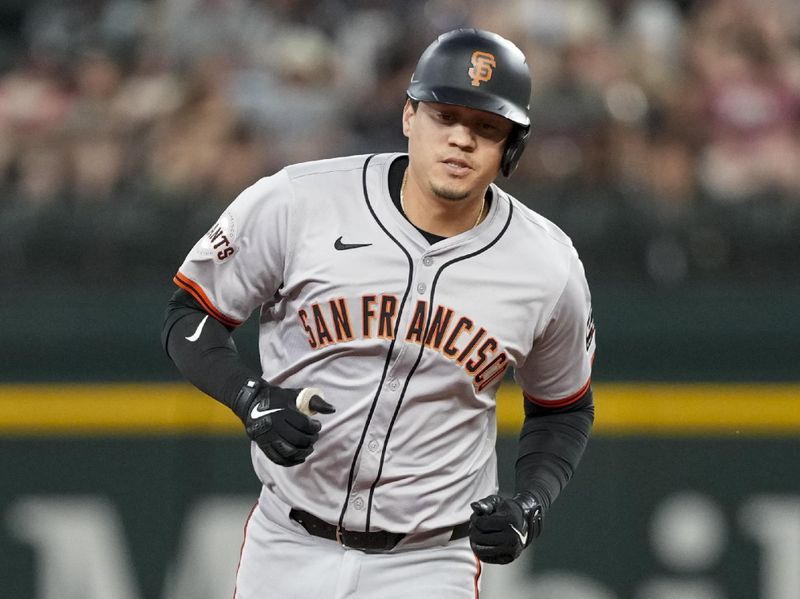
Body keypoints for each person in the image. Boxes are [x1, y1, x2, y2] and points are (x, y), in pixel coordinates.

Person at [162, 28, 596, 599]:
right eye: (445, 117)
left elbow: (563, 408)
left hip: (429, 561)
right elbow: (191, 312)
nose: (462, 140)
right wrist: (250, 396)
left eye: (486, 127)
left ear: (511, 146)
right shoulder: (300, 202)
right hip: (289, 544)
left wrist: (532, 500)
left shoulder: (547, 265)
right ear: (409, 116)